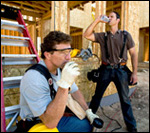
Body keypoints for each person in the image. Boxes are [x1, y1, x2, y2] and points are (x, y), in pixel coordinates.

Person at [18, 31, 103, 132]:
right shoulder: (34, 78)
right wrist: (64, 85)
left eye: (69, 52)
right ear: (48, 55)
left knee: (87, 125)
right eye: (63, 52)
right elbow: (50, 123)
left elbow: (75, 91)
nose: (69, 57)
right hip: (38, 122)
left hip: (55, 114)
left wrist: (88, 112)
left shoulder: (60, 69)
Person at [83, 11, 138, 132]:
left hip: (121, 71)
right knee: (97, 97)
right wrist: (97, 20)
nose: (109, 18)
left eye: (111, 16)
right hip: (105, 70)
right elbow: (86, 35)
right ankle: (88, 121)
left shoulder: (125, 35)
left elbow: (133, 53)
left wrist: (134, 72)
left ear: (117, 20)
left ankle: (131, 126)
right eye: (108, 16)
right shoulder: (103, 36)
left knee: (125, 99)